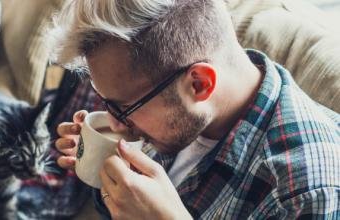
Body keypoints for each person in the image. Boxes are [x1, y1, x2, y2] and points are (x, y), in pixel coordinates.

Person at [51, 0, 340, 219]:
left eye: (124, 107)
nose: (115, 125)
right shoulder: (179, 111)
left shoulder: (306, 192)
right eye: (107, 104)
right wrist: (107, 169)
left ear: (200, 84)